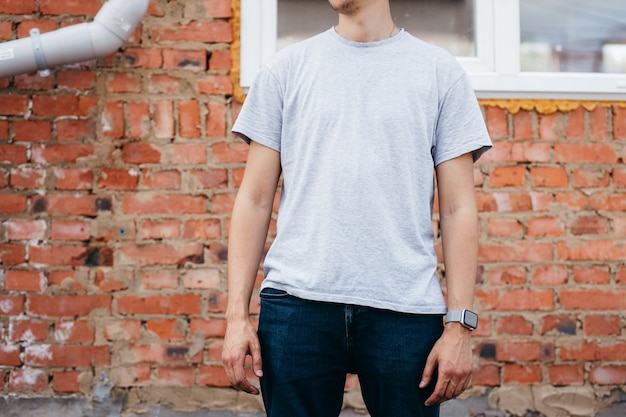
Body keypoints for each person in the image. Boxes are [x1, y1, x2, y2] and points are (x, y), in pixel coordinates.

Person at [222, 0, 492, 416]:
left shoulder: (439, 72)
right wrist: (235, 317)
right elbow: (254, 199)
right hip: (297, 304)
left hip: (405, 308)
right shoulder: (286, 68)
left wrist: (459, 324)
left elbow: (458, 207)